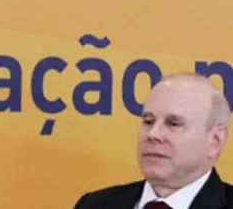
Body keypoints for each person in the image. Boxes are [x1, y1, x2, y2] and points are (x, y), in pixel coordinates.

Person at [73, 73, 233, 209]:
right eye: (148, 121)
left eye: (173, 123)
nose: (153, 134)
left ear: (215, 141)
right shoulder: (94, 204)